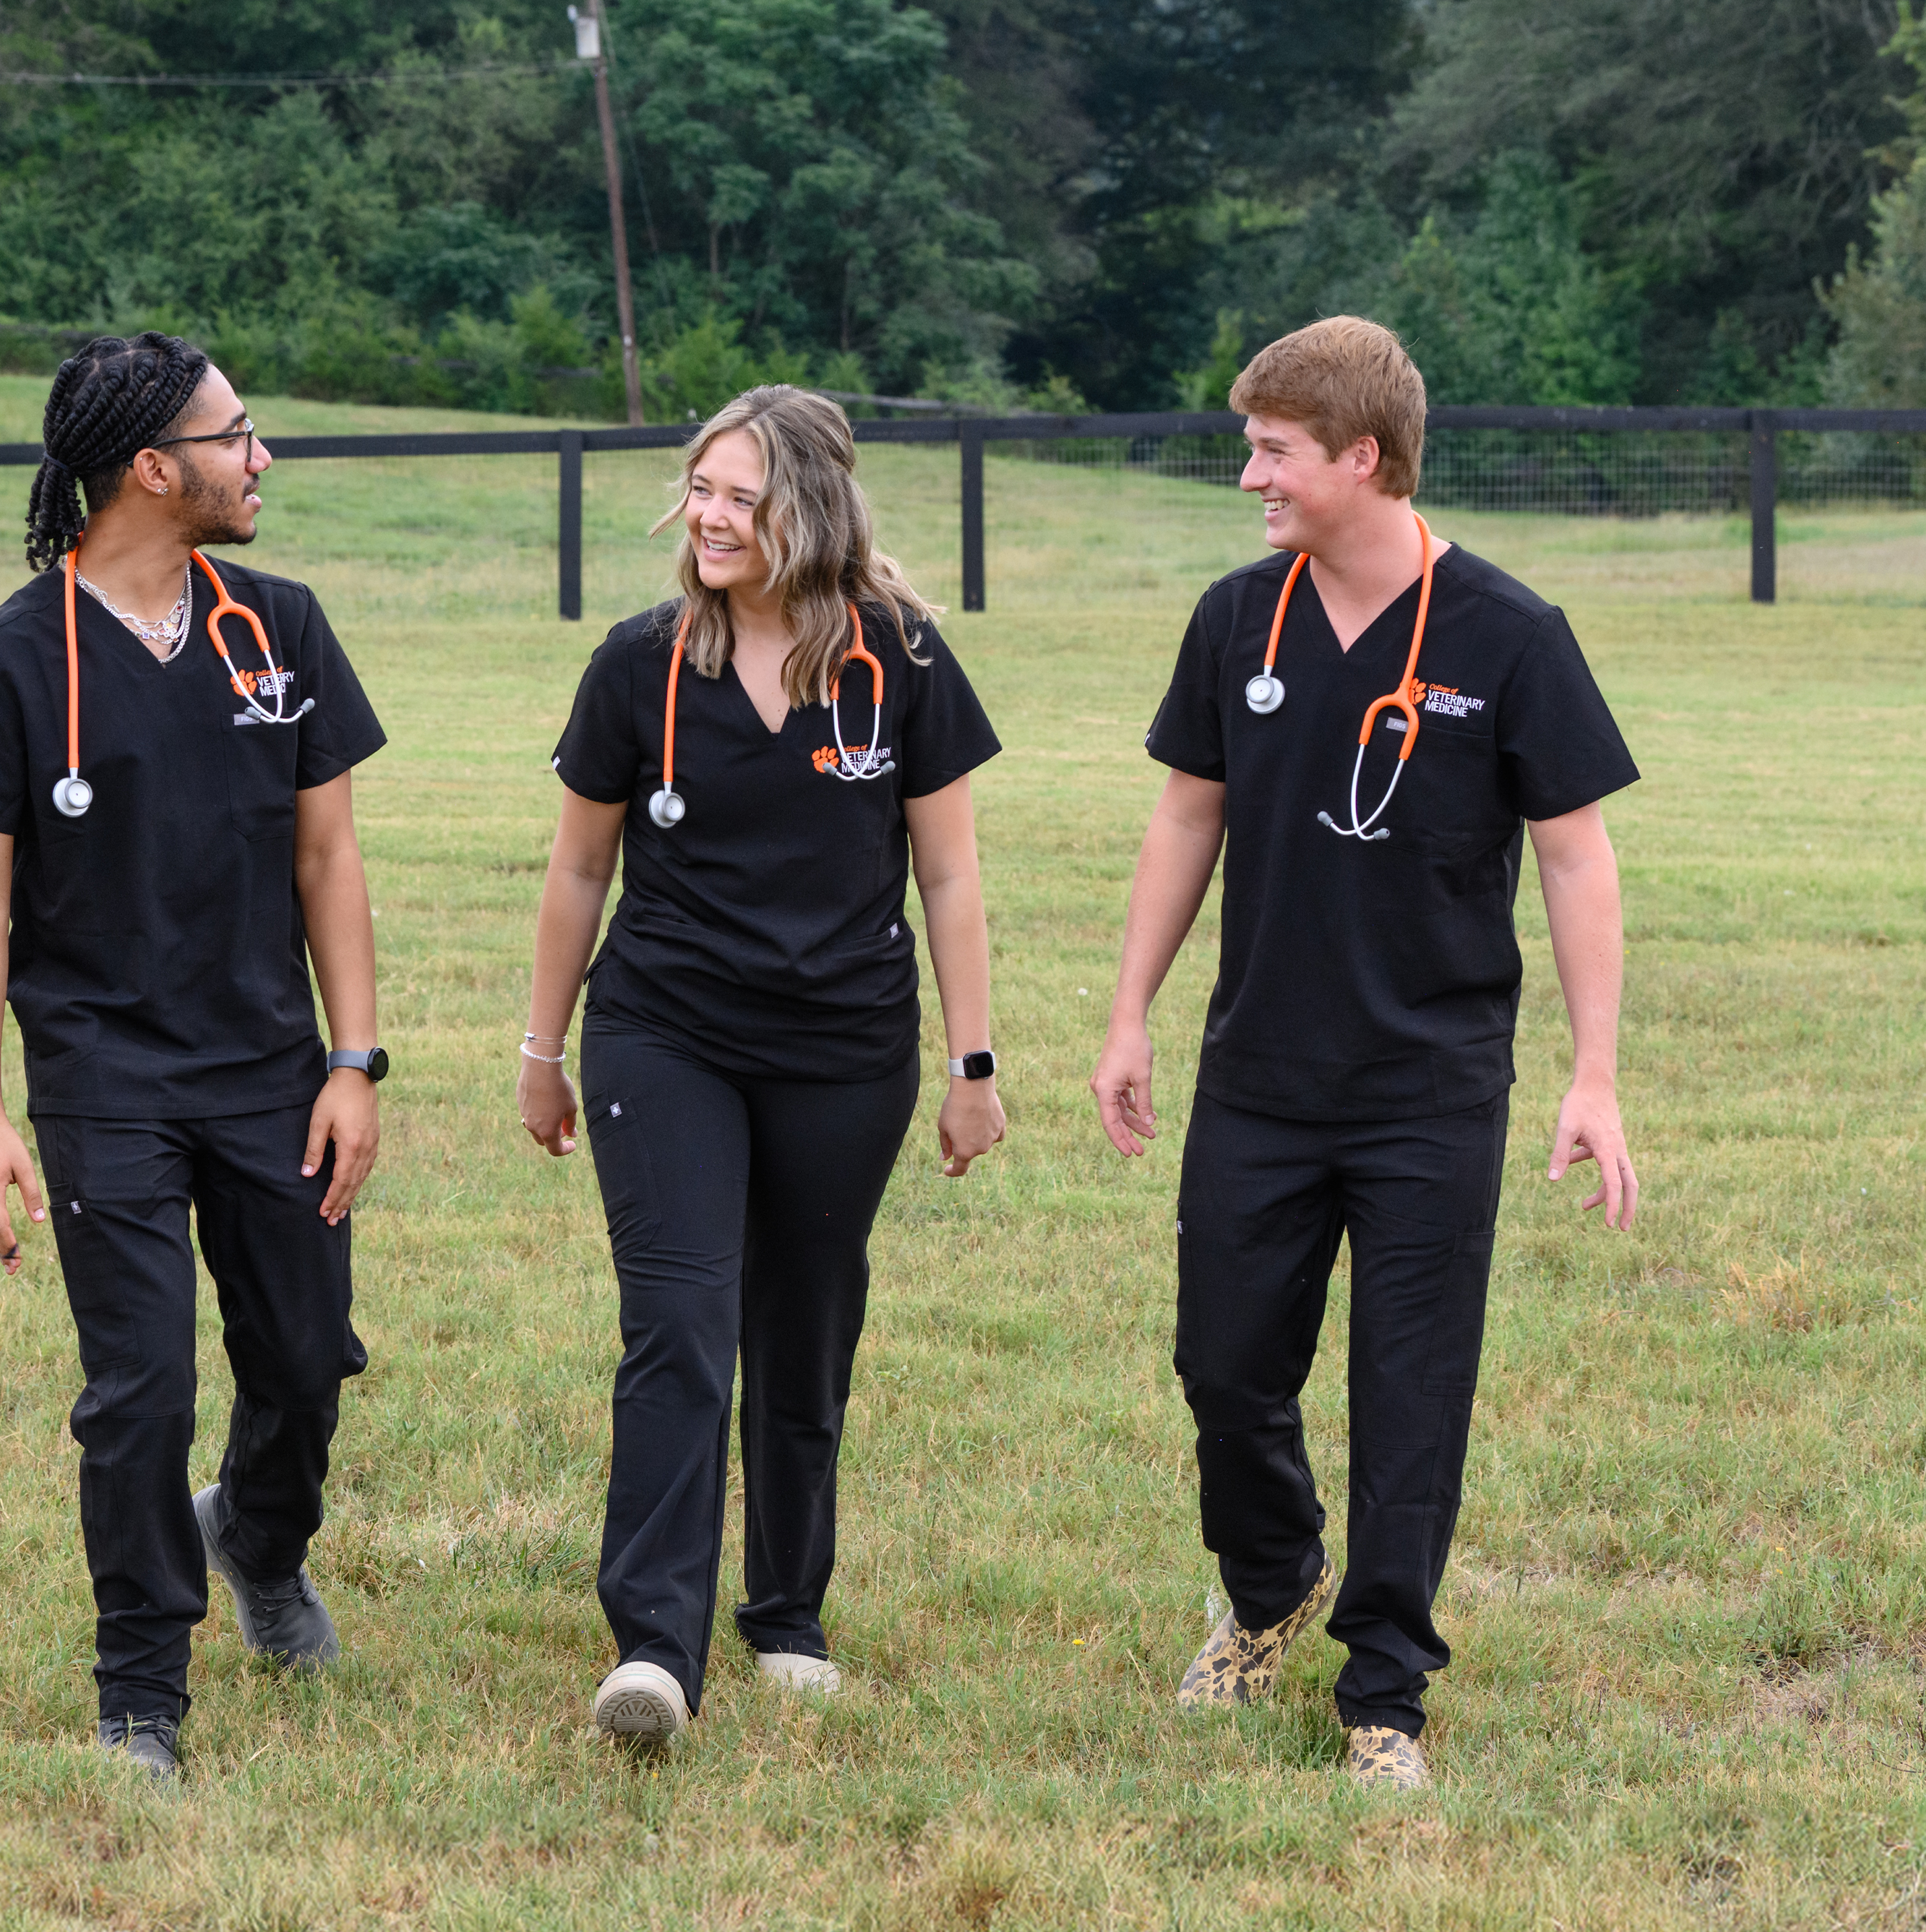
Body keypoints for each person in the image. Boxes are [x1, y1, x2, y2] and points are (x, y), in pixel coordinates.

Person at [1085, 316, 1641, 1793]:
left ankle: (1384, 1691)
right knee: (1223, 1370)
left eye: (1271, 450)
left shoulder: (1507, 636)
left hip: (1431, 1092)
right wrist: (1132, 1009)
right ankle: (1270, 1586)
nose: (1248, 474)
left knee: (1410, 1398)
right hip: (1260, 1075)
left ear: (1361, 457)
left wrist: (1592, 1075)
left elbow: (1577, 860)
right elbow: (1186, 816)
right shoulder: (1235, 621)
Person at [0, 332, 391, 1785]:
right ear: (149, 467)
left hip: (270, 1071)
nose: (260, 457)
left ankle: (257, 1536)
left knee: (305, 1360)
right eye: (235, 434)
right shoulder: (0, 661)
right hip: (104, 1079)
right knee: (140, 1390)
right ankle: (141, 1700)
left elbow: (330, 856)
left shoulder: (282, 629)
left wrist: (354, 1059)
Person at [516, 385, 1008, 1748]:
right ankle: (656, 1648)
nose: (709, 516)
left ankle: (787, 1615)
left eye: (741, 495)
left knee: (806, 1322)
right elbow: (578, 868)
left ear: (808, 508)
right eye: (701, 489)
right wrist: (540, 1050)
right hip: (663, 1029)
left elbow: (951, 874)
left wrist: (974, 1064)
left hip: (847, 1048)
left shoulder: (902, 658)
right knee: (680, 1319)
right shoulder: (637, 664)